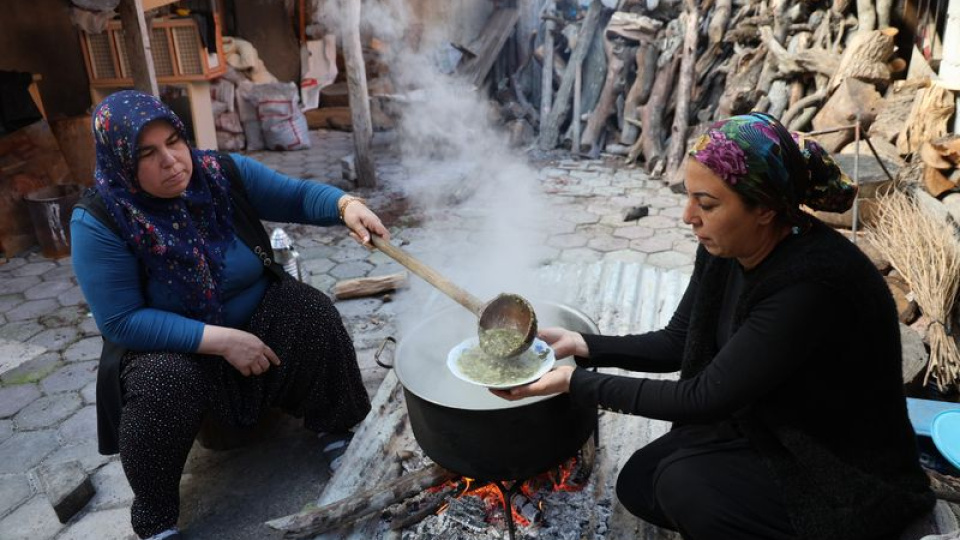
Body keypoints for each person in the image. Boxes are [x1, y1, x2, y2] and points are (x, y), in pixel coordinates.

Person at [494, 113, 935, 540]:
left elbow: (702, 398)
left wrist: (576, 384)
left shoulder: (811, 285)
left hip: (835, 461)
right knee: (640, 482)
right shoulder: (729, 245)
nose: (689, 216)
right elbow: (678, 341)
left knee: (685, 488)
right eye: (689, 197)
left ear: (764, 208)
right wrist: (581, 343)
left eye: (706, 203)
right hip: (773, 422)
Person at [70, 90, 389, 540]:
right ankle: (157, 520)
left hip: (256, 324)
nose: (172, 160)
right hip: (176, 352)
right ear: (121, 160)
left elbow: (296, 197)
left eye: (174, 141)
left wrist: (345, 206)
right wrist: (221, 340)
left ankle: (335, 428)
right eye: (148, 153)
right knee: (161, 383)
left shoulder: (220, 174)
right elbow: (120, 321)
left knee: (308, 309)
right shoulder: (102, 219)